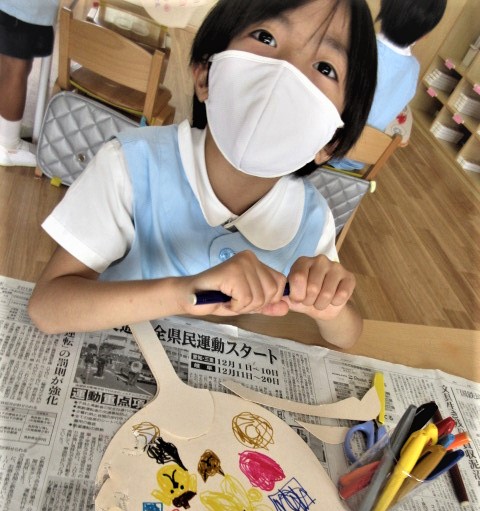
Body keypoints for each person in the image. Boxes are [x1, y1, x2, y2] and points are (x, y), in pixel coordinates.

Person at [28, 0, 377, 349]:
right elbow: (47, 307)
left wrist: (330, 305)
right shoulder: (129, 165)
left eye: (325, 68)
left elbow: (348, 336)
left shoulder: (314, 219)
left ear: (331, 142)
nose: (285, 71)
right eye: (265, 37)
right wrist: (183, 293)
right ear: (205, 74)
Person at [330, 0, 447, 172]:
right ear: (425, 35)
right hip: (354, 163)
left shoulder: (356, 44)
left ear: (383, 6)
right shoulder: (413, 70)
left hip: (319, 149)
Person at [0, 1, 59, 167]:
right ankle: (8, 147)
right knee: (15, 66)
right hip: (22, 8)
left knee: (14, 63)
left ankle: (5, 131)